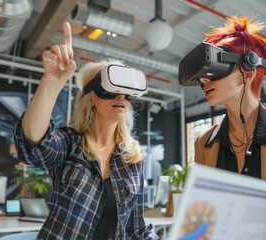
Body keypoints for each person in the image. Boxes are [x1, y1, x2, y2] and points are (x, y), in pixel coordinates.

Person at [179, 16, 266, 239]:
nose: (204, 81)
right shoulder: (204, 143)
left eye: (214, 70)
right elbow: (203, 222)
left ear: (248, 70)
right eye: (200, 77)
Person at [13, 21, 158, 240]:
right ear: (92, 99)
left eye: (126, 94)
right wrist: (51, 82)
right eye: (111, 91)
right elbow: (35, 143)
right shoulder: (70, 145)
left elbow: (136, 228)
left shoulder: (132, 158)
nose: (121, 98)